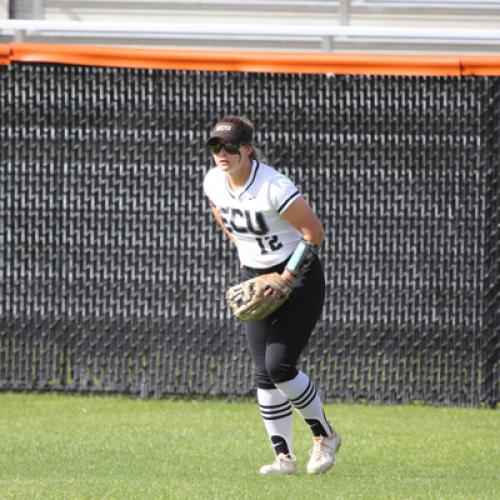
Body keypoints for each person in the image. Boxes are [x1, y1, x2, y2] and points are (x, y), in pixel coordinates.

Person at [203, 115, 341, 475]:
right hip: (255, 274)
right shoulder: (213, 182)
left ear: (247, 150)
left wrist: (286, 276)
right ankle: (284, 458)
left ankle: (325, 436)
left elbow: (314, 234)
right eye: (215, 145)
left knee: (279, 366)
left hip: (298, 277)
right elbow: (222, 214)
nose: (222, 153)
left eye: (231, 146)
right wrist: (246, 257)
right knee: (263, 374)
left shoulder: (273, 187)